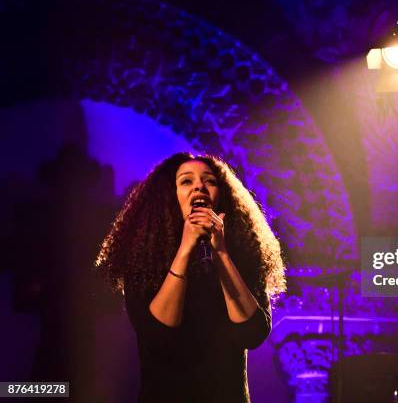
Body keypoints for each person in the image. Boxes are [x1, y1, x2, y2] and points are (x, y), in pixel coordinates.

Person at [95, 153, 285, 402]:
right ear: (168, 197)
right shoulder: (143, 257)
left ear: (222, 196)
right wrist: (185, 249)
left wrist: (221, 253)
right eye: (186, 181)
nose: (199, 186)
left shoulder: (244, 254)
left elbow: (253, 333)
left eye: (210, 181)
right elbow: (158, 336)